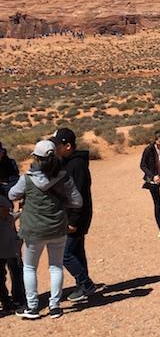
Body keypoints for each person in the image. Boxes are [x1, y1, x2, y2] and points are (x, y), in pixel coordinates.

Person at [9, 140, 82, 320]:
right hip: (58, 228)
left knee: (29, 267)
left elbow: (12, 195)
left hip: (33, 230)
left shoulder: (27, 178)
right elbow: (77, 201)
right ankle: (55, 306)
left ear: (36, 158)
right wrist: (61, 203)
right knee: (56, 266)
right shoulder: (64, 176)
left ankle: (33, 308)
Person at [52, 128, 105, 302]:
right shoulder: (69, 162)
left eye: (57, 145)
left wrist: (73, 220)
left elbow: (78, 194)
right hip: (74, 215)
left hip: (77, 216)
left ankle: (86, 284)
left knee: (65, 254)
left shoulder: (76, 166)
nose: (55, 148)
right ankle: (82, 286)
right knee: (77, 251)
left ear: (67, 146)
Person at [0, 192, 24, 313]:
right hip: (7, 241)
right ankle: (17, 300)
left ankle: (6, 301)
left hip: (8, 240)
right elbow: (6, 215)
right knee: (16, 270)